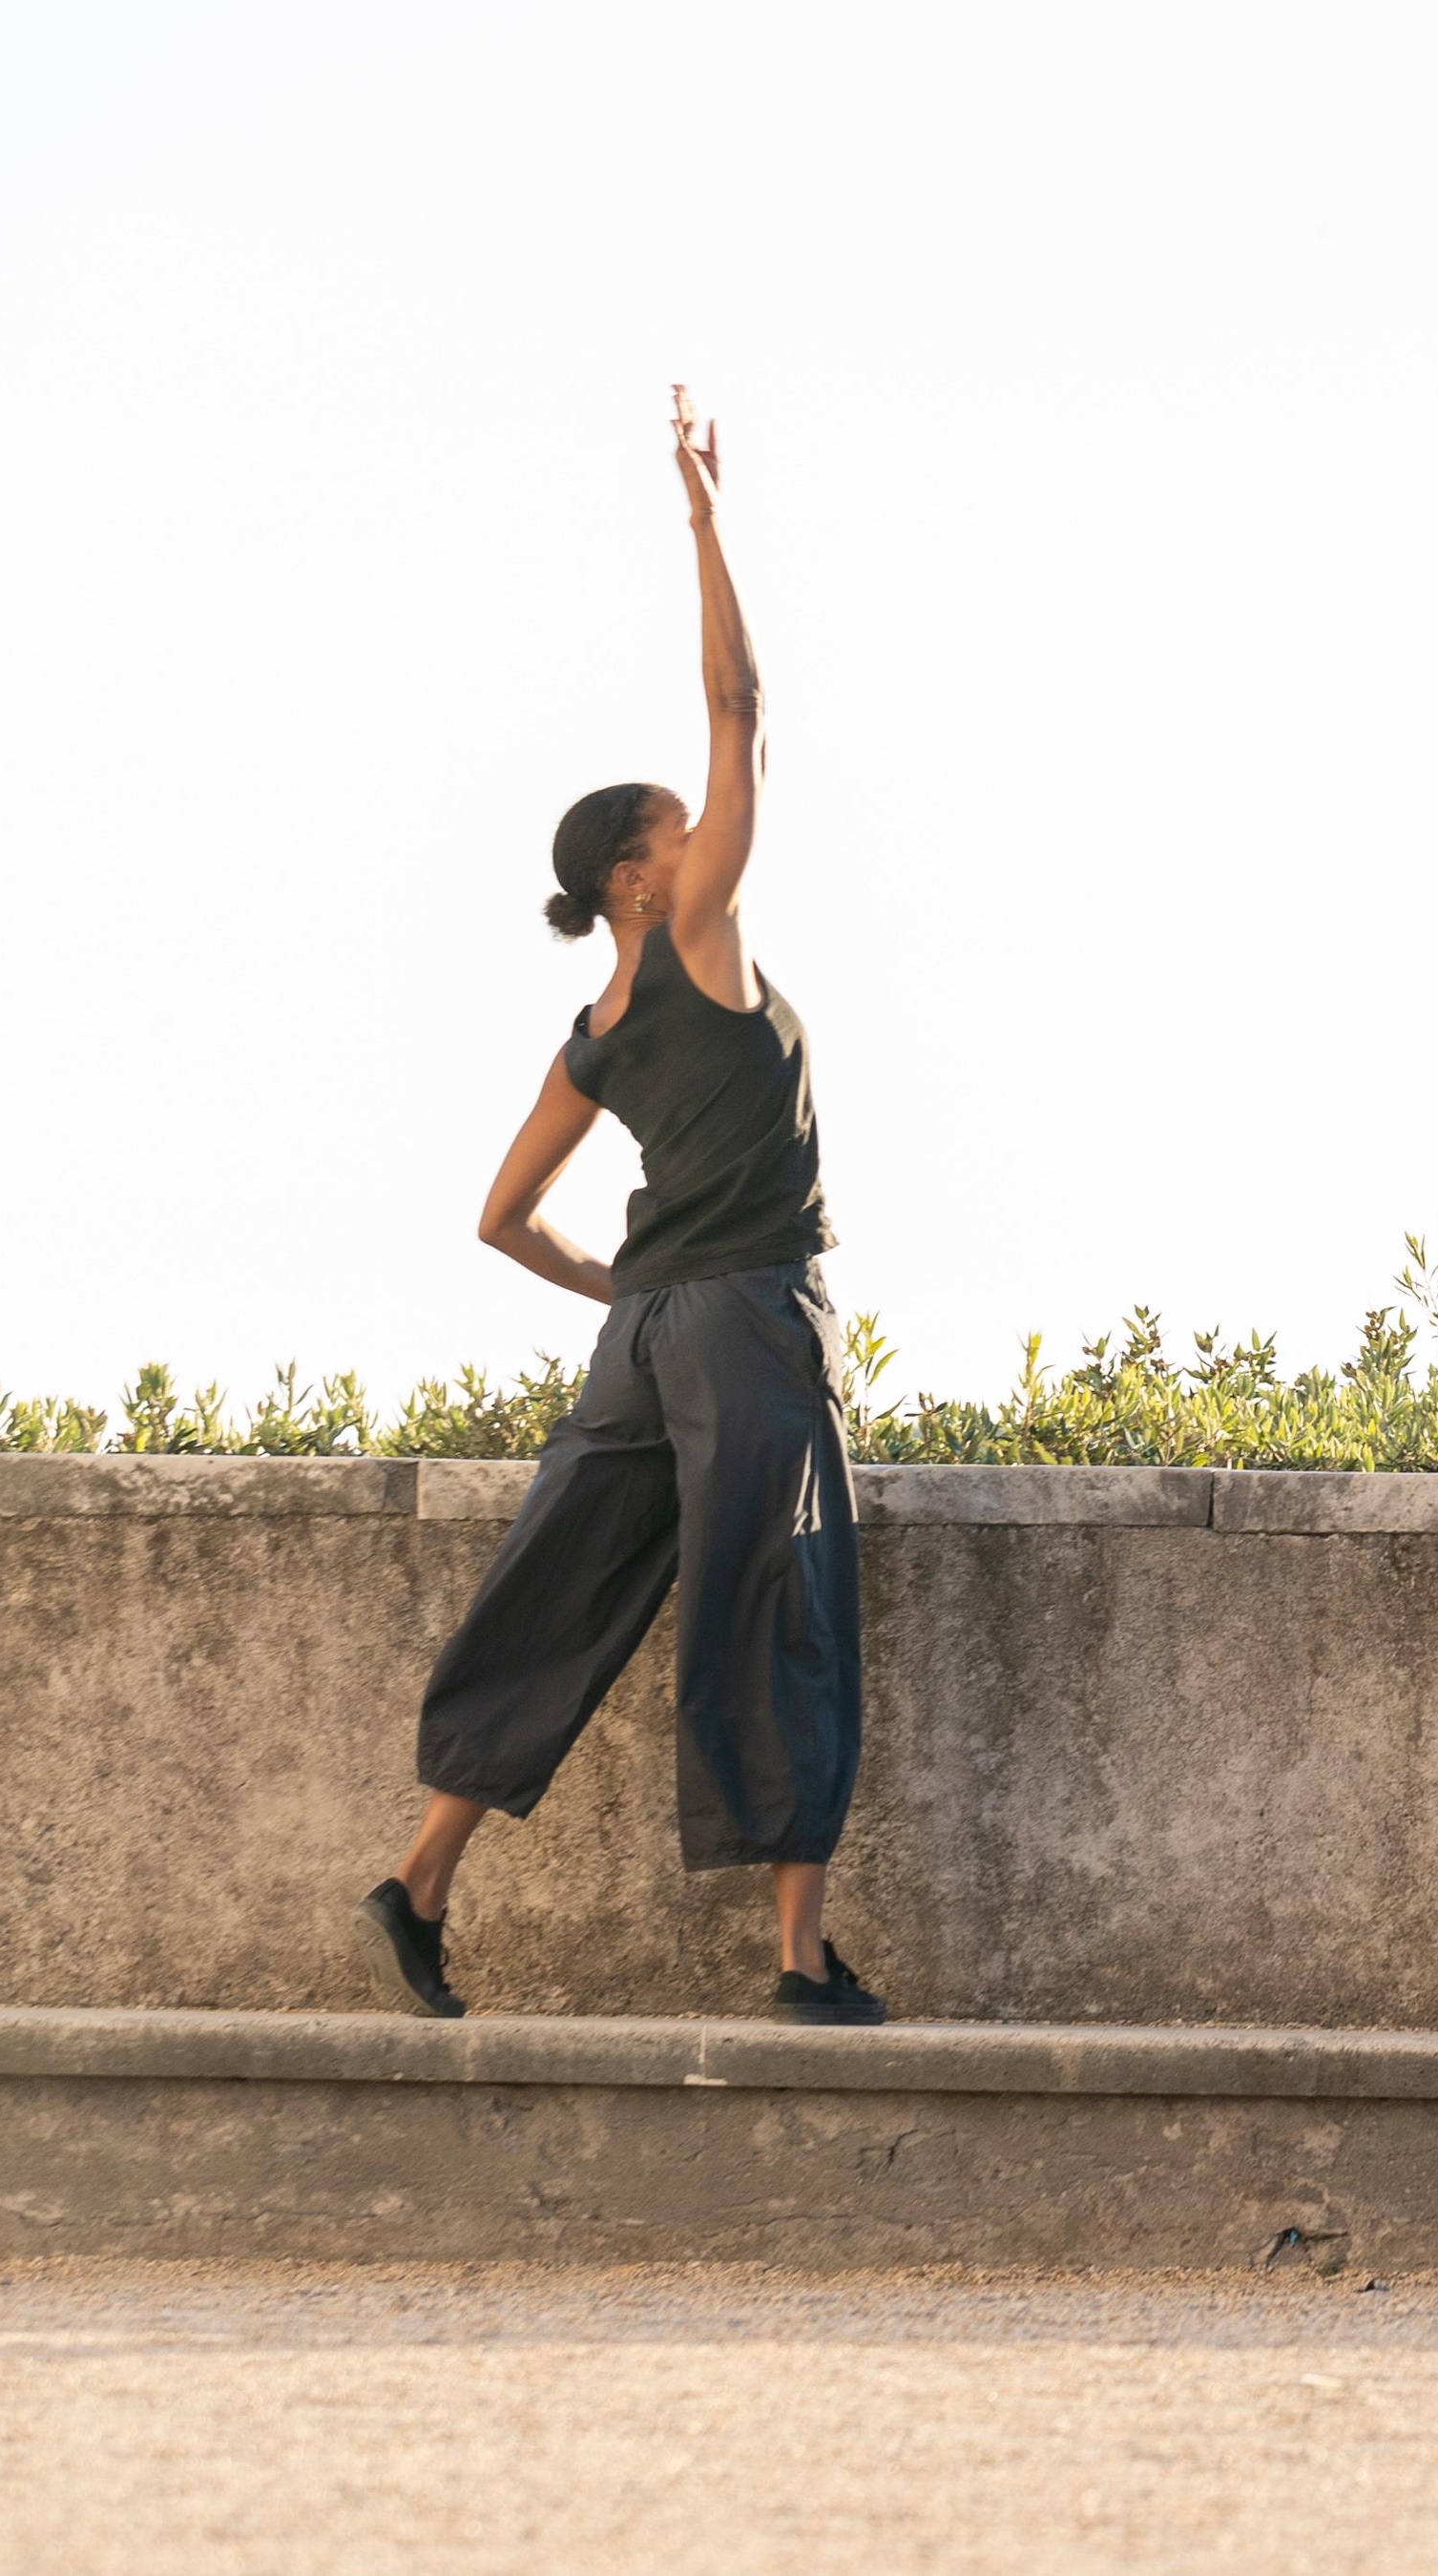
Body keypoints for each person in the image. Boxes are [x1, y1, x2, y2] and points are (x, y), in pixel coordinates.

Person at [360, 393, 882, 2025]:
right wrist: (707, 523)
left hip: (652, 1334)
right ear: (644, 879)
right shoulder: (702, 933)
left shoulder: (592, 1035)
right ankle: (799, 1964)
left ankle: (422, 1881)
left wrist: (627, 1307)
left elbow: (503, 1214)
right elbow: (741, 700)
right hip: (741, 1315)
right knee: (783, 1595)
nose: (706, 825)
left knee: (563, 1590)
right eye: (681, 823)